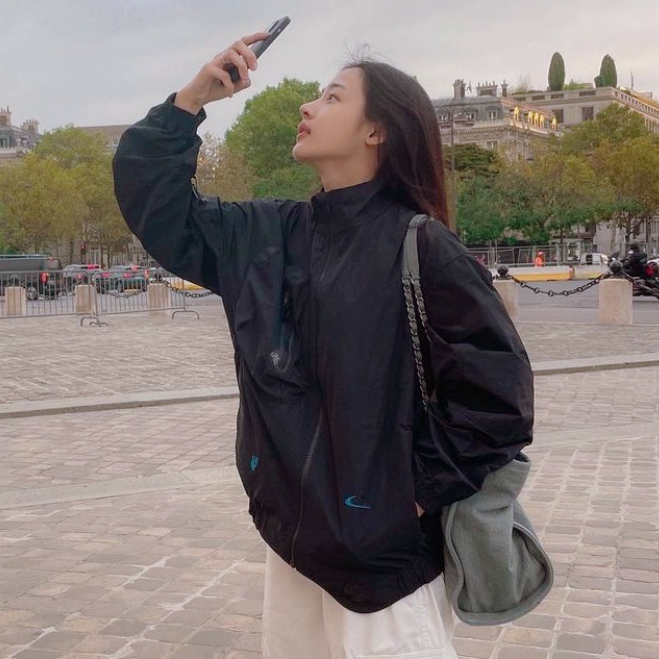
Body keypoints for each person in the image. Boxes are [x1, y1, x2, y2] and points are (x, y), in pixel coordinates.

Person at [112, 31, 534, 659]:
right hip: (292, 545)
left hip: (384, 567)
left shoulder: (422, 247)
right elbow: (159, 208)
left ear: (377, 130)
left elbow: (498, 401)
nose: (308, 107)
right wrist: (191, 100)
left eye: (333, 97)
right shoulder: (268, 235)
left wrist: (407, 498)